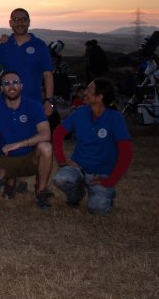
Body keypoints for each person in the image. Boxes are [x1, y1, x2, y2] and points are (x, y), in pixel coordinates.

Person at [52, 78, 133, 215]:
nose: (85, 93)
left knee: (97, 209)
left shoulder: (115, 118)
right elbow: (58, 133)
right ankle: (76, 195)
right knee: (61, 179)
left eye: (89, 90)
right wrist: (62, 161)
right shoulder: (81, 113)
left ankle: (105, 194)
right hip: (79, 168)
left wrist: (110, 180)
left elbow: (126, 152)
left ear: (100, 97)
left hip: (102, 173)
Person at [0, 70, 54, 209]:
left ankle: (41, 190)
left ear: (21, 86)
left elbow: (46, 134)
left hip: (30, 158)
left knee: (46, 147)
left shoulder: (34, 106)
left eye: (15, 82)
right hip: (6, 160)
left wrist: (19, 144)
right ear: (2, 88)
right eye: (7, 83)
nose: (11, 86)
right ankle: (11, 182)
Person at [0, 8, 54, 116]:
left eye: (23, 19)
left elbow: (48, 75)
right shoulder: (5, 46)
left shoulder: (40, 46)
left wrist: (49, 101)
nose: (20, 23)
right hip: (7, 105)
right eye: (16, 19)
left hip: (33, 105)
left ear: (29, 22)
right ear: (10, 23)